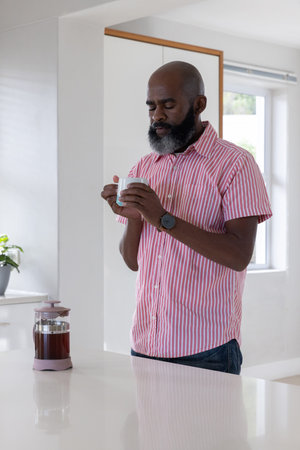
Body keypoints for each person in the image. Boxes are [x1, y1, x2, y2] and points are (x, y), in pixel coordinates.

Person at [101, 61, 272, 374]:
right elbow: (132, 261)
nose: (157, 116)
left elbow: (238, 255)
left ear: (199, 104)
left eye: (168, 104)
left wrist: (164, 218)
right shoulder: (143, 167)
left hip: (206, 351)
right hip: (145, 345)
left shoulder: (235, 164)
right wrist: (137, 218)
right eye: (151, 106)